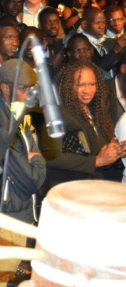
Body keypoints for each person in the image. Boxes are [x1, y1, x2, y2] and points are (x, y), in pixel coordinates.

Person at [0, 59, 46, 287]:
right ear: (5, 87)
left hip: (14, 209)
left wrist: (33, 156)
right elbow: (30, 180)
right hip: (5, 213)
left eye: (31, 88)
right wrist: (36, 157)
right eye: (23, 88)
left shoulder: (15, 113)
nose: (29, 94)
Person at [40, 60, 124, 191]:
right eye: (80, 85)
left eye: (92, 84)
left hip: (95, 188)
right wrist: (96, 161)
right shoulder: (57, 114)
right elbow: (51, 157)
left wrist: (116, 151)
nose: (87, 90)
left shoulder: (98, 112)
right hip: (68, 190)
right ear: (69, 85)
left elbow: (99, 152)